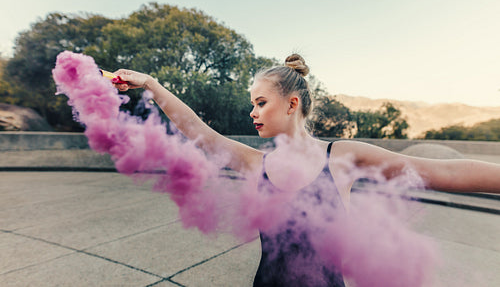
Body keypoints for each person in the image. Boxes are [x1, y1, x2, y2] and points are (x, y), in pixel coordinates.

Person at [113, 54, 500, 287]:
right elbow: (197, 131)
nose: (252, 112)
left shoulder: (341, 156)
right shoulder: (255, 163)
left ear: (292, 103)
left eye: (260, 102)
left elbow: (439, 171)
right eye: (252, 103)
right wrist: (150, 84)